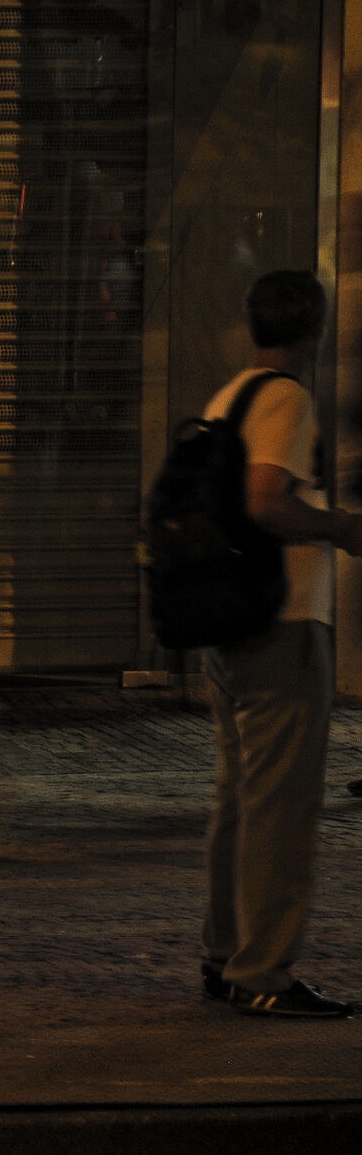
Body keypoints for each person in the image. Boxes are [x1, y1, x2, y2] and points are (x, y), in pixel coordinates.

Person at [196, 271, 358, 1017]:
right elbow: (265, 500)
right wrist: (338, 527)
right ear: (315, 329)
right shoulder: (287, 398)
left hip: (230, 627)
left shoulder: (229, 397)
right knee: (283, 808)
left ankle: (226, 952)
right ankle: (264, 974)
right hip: (284, 621)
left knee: (238, 799)